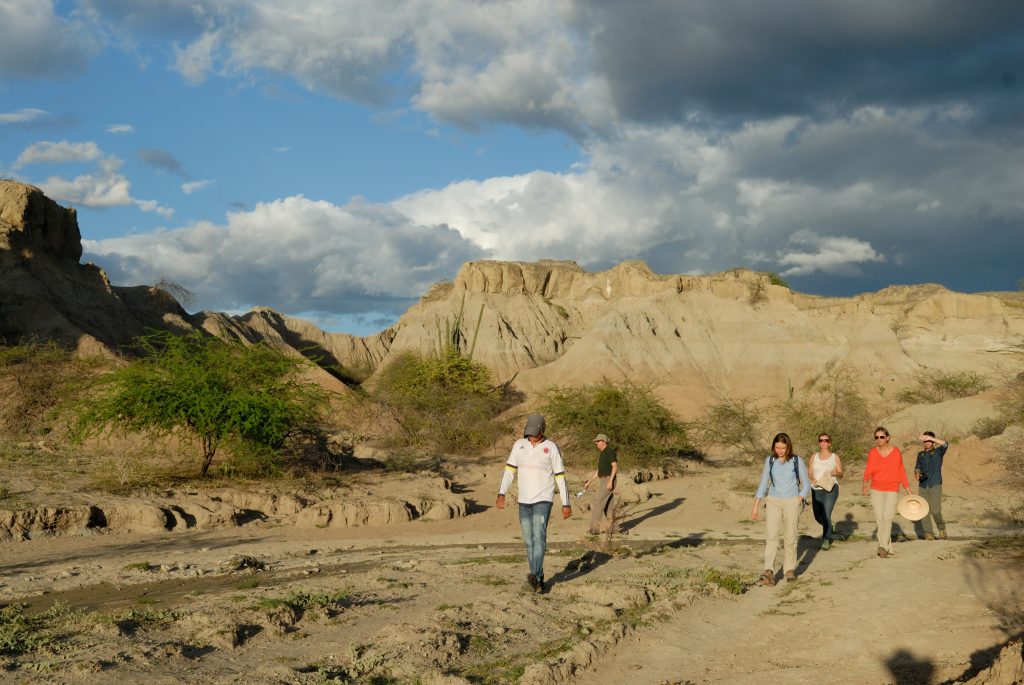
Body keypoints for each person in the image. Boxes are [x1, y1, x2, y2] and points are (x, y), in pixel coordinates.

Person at [496, 413, 571, 593]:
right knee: (529, 541)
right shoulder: (518, 445)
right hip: (524, 501)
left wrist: (565, 503)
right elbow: (509, 471)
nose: (531, 436)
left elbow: (560, 477)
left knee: (539, 537)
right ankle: (538, 578)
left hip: (543, 500)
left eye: (534, 433)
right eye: (529, 433)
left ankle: (533, 577)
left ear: (542, 430)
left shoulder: (551, 447)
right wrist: (501, 492)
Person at [750, 433, 810, 585]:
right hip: (773, 501)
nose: (780, 450)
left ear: (788, 447)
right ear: (773, 447)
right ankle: (768, 571)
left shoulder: (797, 460)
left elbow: (806, 484)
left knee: (790, 537)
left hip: (792, 501)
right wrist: (756, 506)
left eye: (783, 448)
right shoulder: (770, 461)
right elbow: (764, 483)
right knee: (771, 536)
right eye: (777, 447)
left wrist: (799, 498)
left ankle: (789, 570)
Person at [862, 426, 913, 558]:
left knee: (888, 517)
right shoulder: (873, 452)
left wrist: (907, 487)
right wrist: (865, 484)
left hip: (892, 488)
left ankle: (883, 546)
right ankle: (886, 545)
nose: (879, 439)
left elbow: (900, 469)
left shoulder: (895, 452)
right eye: (876, 437)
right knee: (879, 518)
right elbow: (869, 469)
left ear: (887, 438)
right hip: (876, 488)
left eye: (882, 437)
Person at [809, 432, 844, 550]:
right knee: (818, 517)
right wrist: (813, 478)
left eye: (826, 440)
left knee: (826, 513)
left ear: (830, 443)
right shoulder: (814, 456)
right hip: (816, 489)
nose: (823, 442)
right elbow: (810, 472)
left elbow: (840, 473)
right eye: (821, 440)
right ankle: (829, 528)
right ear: (819, 443)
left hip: (831, 489)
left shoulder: (835, 457)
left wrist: (832, 473)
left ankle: (826, 539)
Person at [914, 431, 949, 540]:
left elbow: (945, 444)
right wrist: (916, 474)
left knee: (935, 510)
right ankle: (928, 533)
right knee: (924, 510)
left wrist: (931, 438)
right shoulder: (921, 454)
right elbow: (917, 467)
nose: (927, 443)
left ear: (933, 441)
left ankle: (941, 528)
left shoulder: (939, 452)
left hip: (935, 484)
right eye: (925, 441)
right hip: (923, 486)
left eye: (929, 440)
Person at [582, 433, 619, 535]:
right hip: (603, 480)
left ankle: (594, 529)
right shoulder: (603, 453)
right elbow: (599, 470)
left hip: (608, 480)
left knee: (598, 503)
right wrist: (589, 481)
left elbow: (615, 466)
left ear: (603, 441)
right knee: (609, 505)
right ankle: (614, 528)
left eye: (597, 441)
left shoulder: (609, 452)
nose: (596, 443)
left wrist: (611, 481)